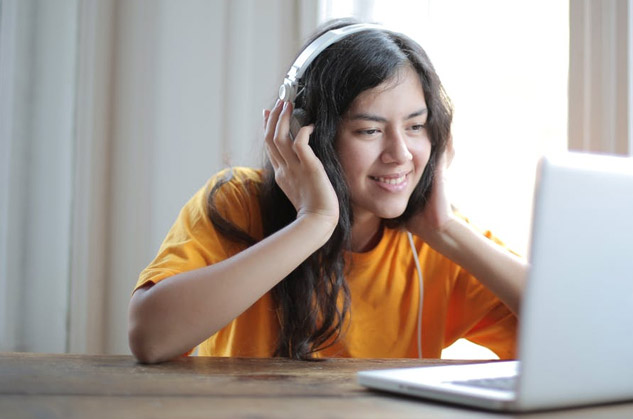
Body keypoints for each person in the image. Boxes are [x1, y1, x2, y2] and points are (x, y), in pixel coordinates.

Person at [128, 18, 528, 364]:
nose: (400, 154)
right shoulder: (237, 202)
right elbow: (150, 337)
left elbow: (578, 337)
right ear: (308, 134)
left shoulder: (433, 240)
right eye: (369, 131)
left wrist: (445, 232)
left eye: (416, 126)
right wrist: (314, 223)